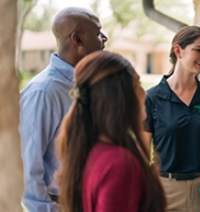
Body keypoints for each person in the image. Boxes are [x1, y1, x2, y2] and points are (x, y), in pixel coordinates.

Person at [19, 7, 107, 211]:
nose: (105, 38)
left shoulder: (88, 84)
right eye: (98, 33)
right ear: (78, 40)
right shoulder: (43, 92)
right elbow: (27, 168)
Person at [56, 51, 166, 212]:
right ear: (120, 96)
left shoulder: (91, 150)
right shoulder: (120, 164)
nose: (144, 93)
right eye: (137, 84)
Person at [144, 25, 200, 212]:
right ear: (178, 51)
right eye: (198, 50)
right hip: (165, 192)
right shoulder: (152, 98)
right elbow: (143, 155)